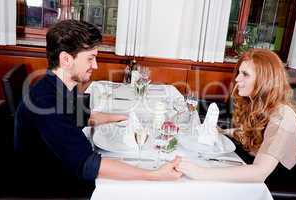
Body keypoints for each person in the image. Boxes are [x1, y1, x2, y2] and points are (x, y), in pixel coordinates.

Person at [14, 20, 181, 197]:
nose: (95, 66)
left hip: (60, 174)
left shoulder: (57, 87)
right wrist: (154, 175)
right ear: (66, 59)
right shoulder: (47, 102)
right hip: (52, 188)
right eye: (90, 58)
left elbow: (85, 117)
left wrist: (125, 117)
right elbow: (88, 164)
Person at [177, 49, 296, 182]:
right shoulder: (257, 102)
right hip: (253, 165)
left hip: (277, 182)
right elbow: (253, 132)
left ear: (265, 80)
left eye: (245, 74)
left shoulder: (283, 116)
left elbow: (260, 173)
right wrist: (224, 131)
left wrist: (201, 173)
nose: (237, 79)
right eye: (239, 73)